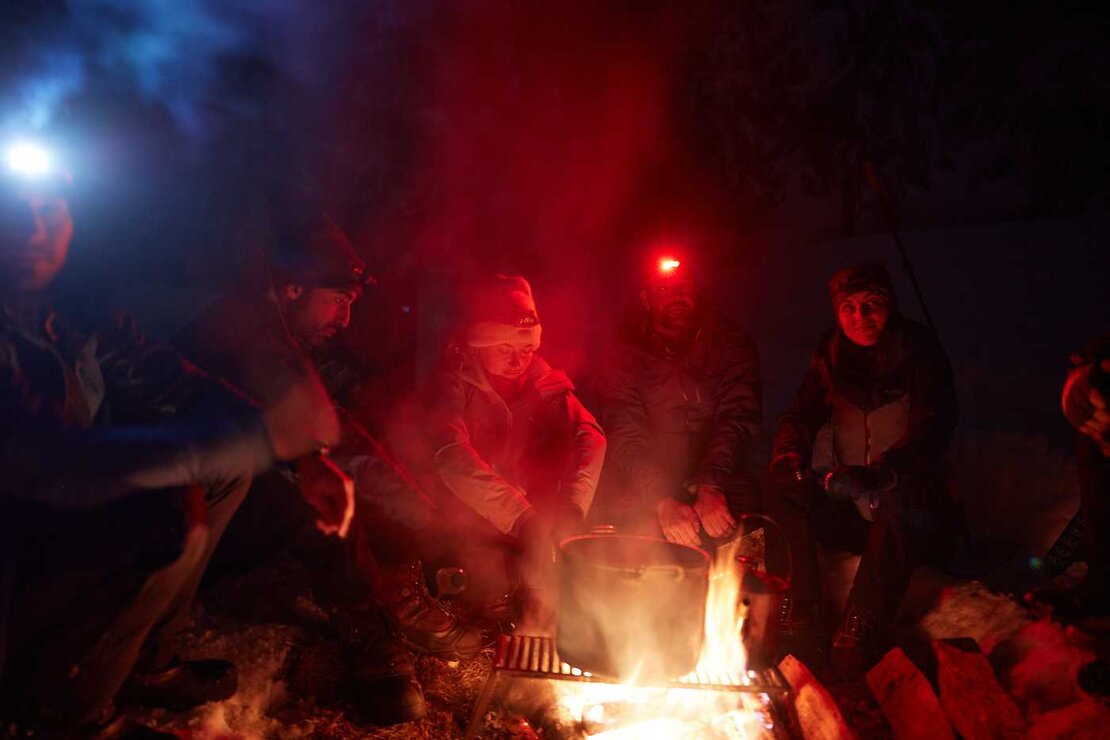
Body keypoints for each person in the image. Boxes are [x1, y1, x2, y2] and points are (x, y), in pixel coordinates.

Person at [0, 147, 342, 733]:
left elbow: (172, 382)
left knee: (220, 474)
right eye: (16, 211)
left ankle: (135, 661)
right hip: (21, 528)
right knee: (168, 512)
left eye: (51, 207)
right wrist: (265, 444)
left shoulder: (75, 311)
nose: (36, 227)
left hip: (48, 522)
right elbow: (53, 465)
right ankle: (55, 714)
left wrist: (302, 454)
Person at [174, 208, 482, 724]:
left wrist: (427, 510)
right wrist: (428, 520)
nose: (345, 320)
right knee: (314, 496)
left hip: (217, 506)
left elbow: (340, 432)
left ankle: (395, 592)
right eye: (338, 301)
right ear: (294, 289)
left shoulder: (281, 336)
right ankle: (365, 623)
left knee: (366, 469)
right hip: (187, 520)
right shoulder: (240, 334)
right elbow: (317, 443)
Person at [767, 263, 959, 675]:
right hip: (853, 501)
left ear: (890, 306)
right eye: (849, 307)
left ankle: (862, 625)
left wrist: (883, 472)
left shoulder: (919, 353)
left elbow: (932, 428)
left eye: (872, 305)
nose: (861, 317)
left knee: (903, 497)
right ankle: (803, 606)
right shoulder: (831, 356)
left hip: (913, 512)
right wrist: (788, 454)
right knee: (782, 486)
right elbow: (800, 415)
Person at [413, 274, 606, 627]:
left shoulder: (539, 378)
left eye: (527, 350)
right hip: (461, 516)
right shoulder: (454, 382)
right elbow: (449, 454)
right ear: (479, 344)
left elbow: (589, 434)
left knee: (554, 581)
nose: (519, 362)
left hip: (520, 513)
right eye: (505, 350)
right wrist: (520, 517)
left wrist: (574, 507)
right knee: (494, 595)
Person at [597, 255, 762, 548]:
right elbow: (626, 432)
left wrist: (711, 484)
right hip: (653, 466)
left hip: (721, 464)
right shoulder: (624, 356)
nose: (676, 297)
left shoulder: (728, 343)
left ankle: (745, 590)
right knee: (632, 527)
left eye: (683, 288)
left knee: (743, 524)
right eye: (663, 291)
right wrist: (661, 500)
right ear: (646, 300)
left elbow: (738, 416)